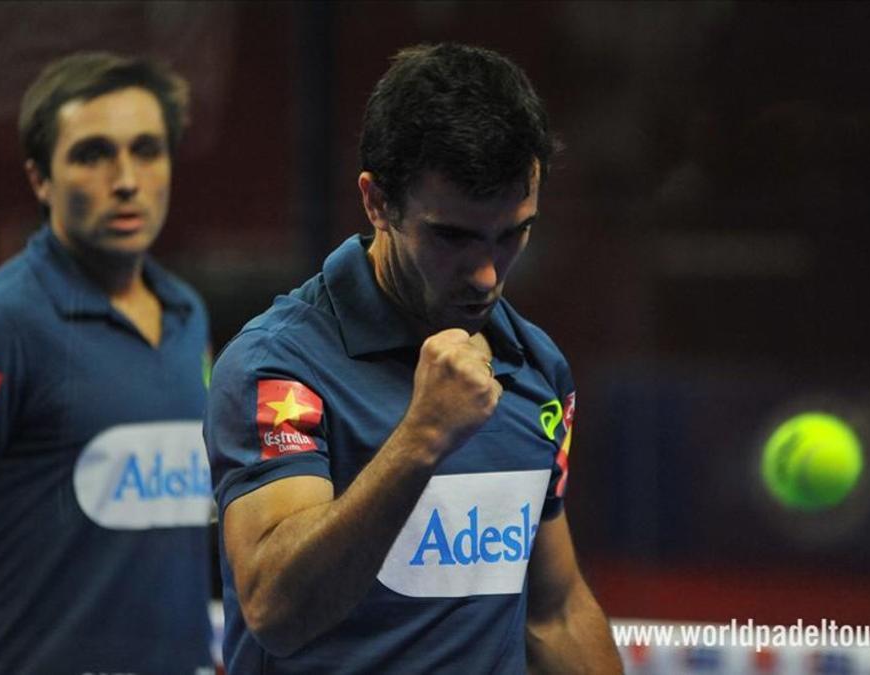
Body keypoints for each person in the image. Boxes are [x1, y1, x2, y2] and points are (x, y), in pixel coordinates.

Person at [205, 43, 623, 673]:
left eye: (513, 233)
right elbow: (275, 612)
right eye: (452, 236)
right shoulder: (279, 366)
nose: (486, 275)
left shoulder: (537, 366)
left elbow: (555, 611)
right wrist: (422, 436)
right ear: (377, 203)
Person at [0, 52, 215, 675]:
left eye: (147, 149)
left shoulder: (188, 317)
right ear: (40, 179)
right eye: (92, 154)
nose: (127, 179)